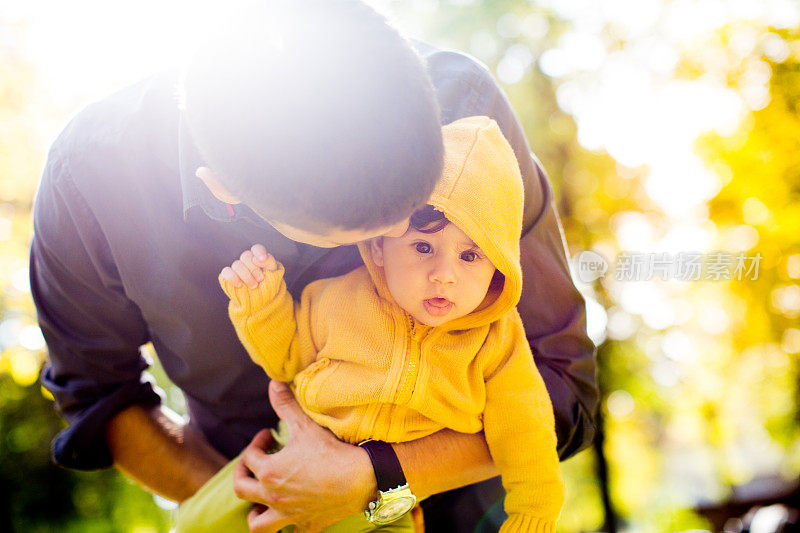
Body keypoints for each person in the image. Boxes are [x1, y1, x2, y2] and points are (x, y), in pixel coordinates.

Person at [30, 1, 597, 531]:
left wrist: (381, 482)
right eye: (369, 236)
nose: (396, 242)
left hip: (460, 510)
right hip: (248, 498)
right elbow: (99, 398)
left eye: (416, 219)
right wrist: (269, 508)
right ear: (226, 191)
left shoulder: (466, 109)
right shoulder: (89, 180)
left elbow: (563, 385)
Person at [175, 117, 564, 533]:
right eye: (422, 246)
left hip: (382, 507)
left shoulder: (497, 340)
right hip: (281, 464)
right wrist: (262, 303)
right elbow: (285, 362)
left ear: (500, 269)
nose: (443, 274)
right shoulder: (336, 298)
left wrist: (533, 513)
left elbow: (527, 431)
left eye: (470, 257)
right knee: (193, 527)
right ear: (380, 246)